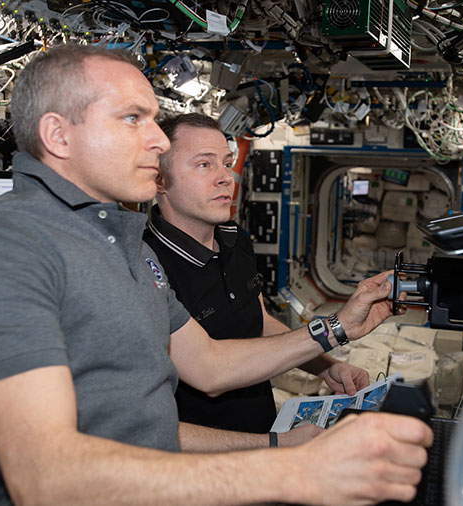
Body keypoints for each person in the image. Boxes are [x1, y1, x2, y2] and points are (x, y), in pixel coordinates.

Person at [0, 44, 432, 505]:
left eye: (153, 119)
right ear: (58, 135)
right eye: (132, 118)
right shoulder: (2, 247)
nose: (156, 141)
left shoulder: (120, 247)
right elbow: (45, 477)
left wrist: (339, 328)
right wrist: (289, 467)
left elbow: (209, 367)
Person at [144, 113, 370, 446]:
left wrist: (325, 366)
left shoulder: (237, 239)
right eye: (204, 165)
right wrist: (335, 329)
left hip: (264, 434)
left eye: (226, 162)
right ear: (160, 180)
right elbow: (211, 372)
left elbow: (259, 322)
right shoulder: (146, 266)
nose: (225, 178)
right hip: (202, 466)